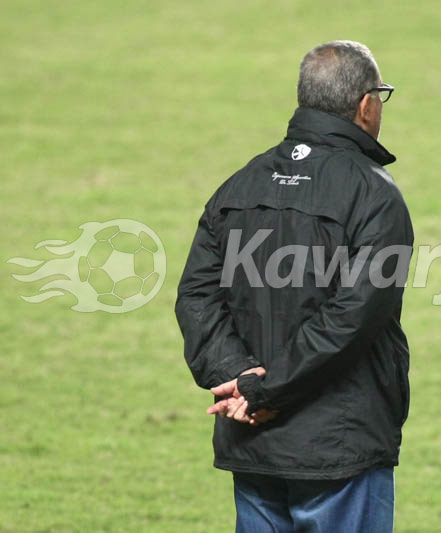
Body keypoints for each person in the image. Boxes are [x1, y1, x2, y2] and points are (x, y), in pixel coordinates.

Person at [175, 40, 413, 532]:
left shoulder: (239, 184)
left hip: (252, 439)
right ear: (366, 104)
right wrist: (264, 391)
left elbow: (197, 294)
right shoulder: (373, 194)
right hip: (338, 446)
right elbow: (353, 317)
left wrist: (238, 377)